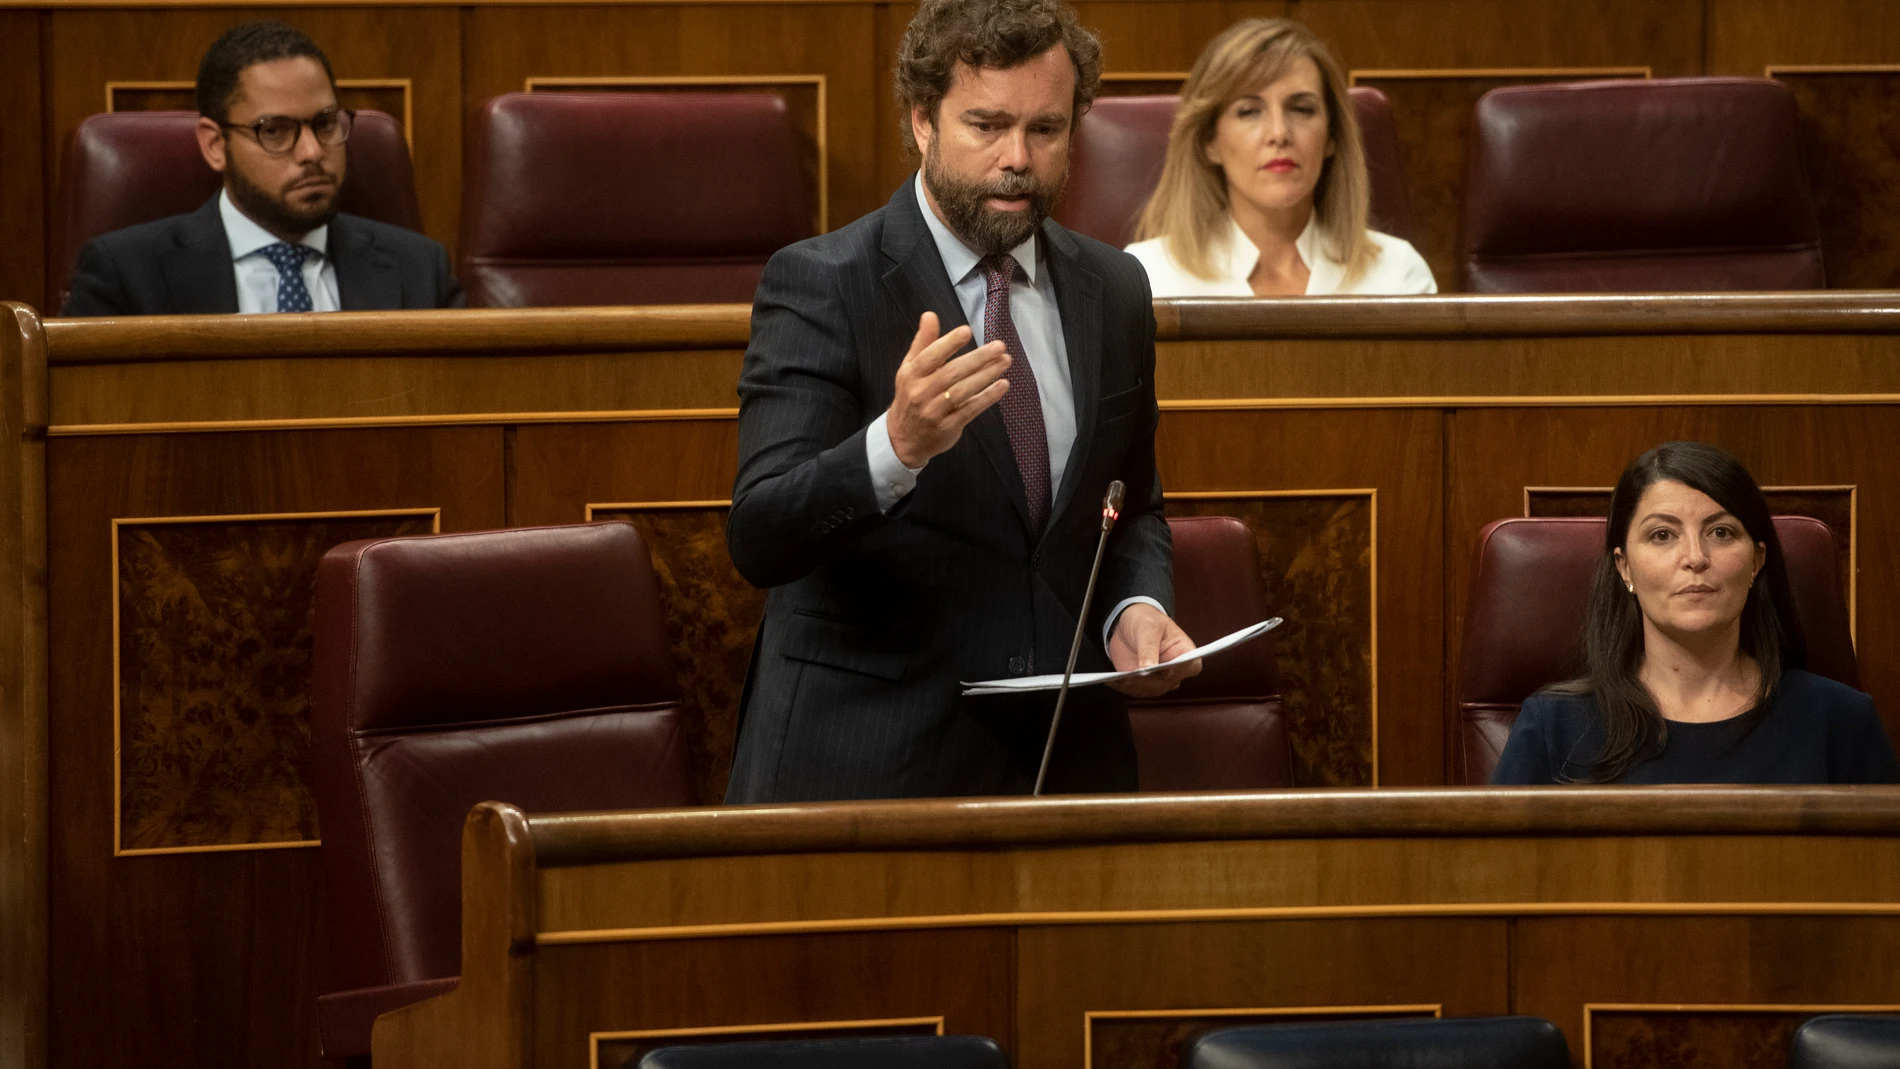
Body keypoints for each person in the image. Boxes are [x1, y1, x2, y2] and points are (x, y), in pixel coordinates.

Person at [723, 0, 1201, 802]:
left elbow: (1131, 503)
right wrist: (894, 446)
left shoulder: (1115, 289)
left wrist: (1135, 606)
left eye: (1046, 131)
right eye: (987, 125)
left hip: (1063, 768)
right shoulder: (823, 283)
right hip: (868, 767)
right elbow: (762, 534)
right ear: (922, 123)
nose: (1018, 158)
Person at [1492, 441, 1900, 785]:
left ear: (1757, 561)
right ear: (1624, 567)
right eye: (1662, 535)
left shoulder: (1841, 722)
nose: (1695, 557)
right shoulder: (1553, 727)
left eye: (1721, 532)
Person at [62, 22, 462, 316]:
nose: (311, 152)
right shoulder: (126, 277)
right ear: (215, 146)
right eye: (275, 130)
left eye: (324, 124)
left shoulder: (420, 271)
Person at [1124, 19, 1434, 297]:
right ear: (1210, 142)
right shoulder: (1149, 276)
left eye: (1301, 109)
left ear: (1331, 138)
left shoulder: (1397, 275)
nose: (1279, 133)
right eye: (1249, 112)